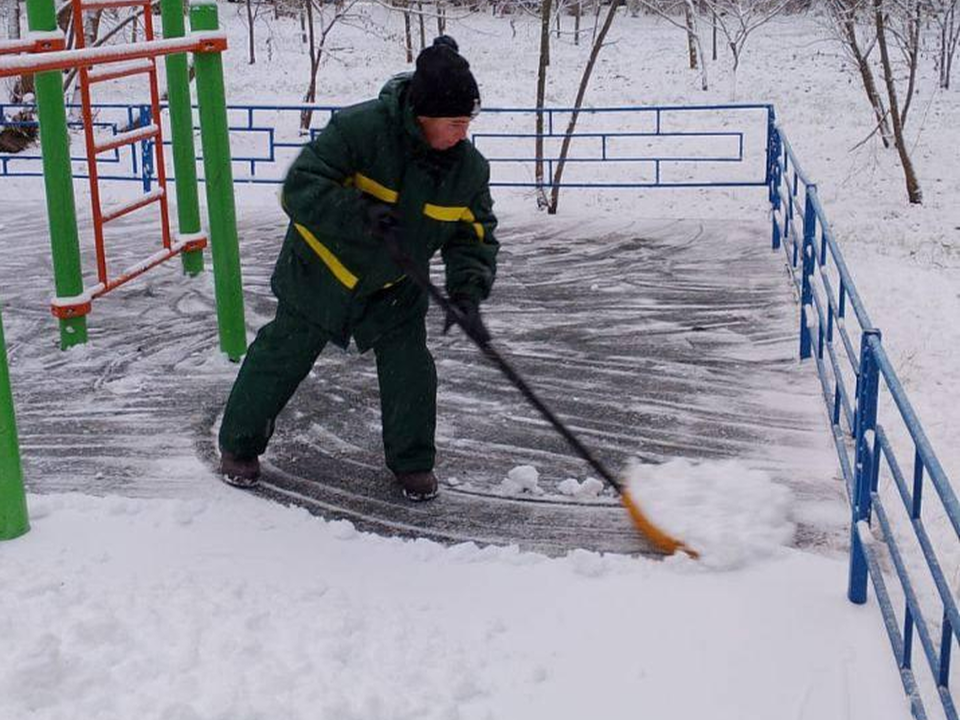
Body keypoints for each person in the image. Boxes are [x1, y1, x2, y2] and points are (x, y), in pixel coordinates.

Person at [217, 36, 499, 501]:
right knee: (282, 354)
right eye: (454, 122)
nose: (462, 133)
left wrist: (468, 289)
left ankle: (412, 464)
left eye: (468, 121)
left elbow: (474, 234)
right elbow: (300, 188)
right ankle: (239, 446)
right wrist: (358, 212)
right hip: (321, 273)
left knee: (411, 366)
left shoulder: (466, 170)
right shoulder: (359, 130)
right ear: (423, 115)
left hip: (394, 285)